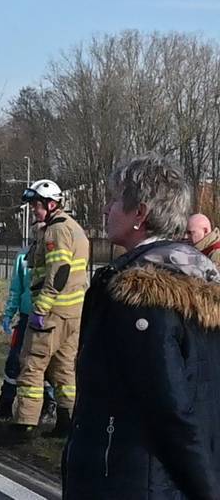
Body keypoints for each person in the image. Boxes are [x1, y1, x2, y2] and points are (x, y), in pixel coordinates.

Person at [63, 155, 220, 499]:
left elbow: (169, 408)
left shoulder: (138, 297)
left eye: (115, 199)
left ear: (140, 213)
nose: (106, 209)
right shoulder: (197, 281)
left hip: (131, 480)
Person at [4, 179, 88, 442]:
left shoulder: (55, 231)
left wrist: (41, 306)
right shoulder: (75, 229)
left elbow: (58, 271)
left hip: (51, 313)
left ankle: (24, 424)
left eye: (37, 206)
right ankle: (67, 421)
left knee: (31, 364)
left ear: (51, 205)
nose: (34, 212)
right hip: (73, 313)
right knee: (64, 370)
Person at [0, 223, 56, 421]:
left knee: (44, 364)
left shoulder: (54, 256)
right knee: (14, 361)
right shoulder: (23, 257)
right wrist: (9, 313)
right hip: (25, 317)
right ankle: (5, 404)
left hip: (46, 318)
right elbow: (17, 288)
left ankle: (49, 405)